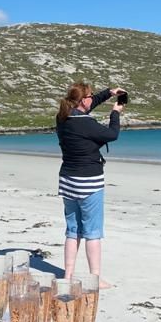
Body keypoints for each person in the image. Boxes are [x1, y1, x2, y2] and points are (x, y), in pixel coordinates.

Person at [55, 81, 126, 285]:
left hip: (68, 181)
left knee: (72, 230)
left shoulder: (63, 118)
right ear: (84, 100)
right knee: (92, 232)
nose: (92, 98)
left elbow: (88, 104)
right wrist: (115, 112)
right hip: (89, 182)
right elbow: (112, 135)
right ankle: (95, 278)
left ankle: (67, 275)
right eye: (91, 96)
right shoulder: (87, 124)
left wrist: (109, 93)